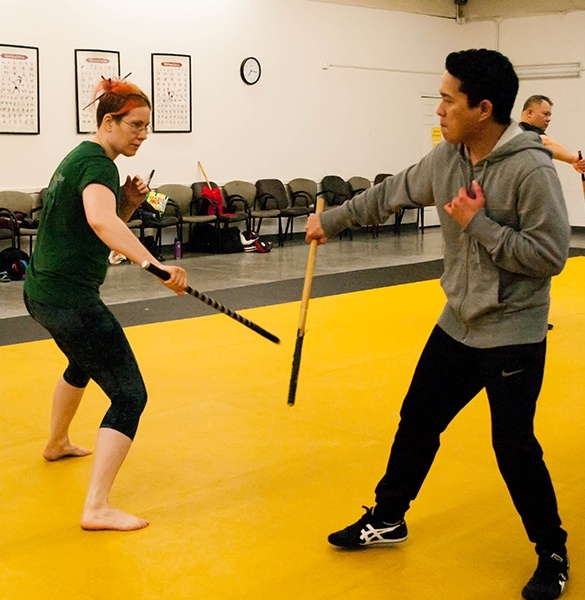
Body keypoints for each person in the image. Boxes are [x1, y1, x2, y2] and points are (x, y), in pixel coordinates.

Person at [306, 49, 570, 600]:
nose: (440, 107)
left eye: (449, 98)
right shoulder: (447, 157)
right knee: (417, 418)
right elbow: (388, 195)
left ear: (484, 108)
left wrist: (480, 224)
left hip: (512, 332)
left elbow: (550, 256)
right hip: (457, 322)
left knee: (514, 445)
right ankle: (388, 517)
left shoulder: (531, 169)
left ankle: (552, 551)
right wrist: (328, 222)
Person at [23, 77, 187, 532]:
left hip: (41, 292)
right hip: (69, 298)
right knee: (130, 394)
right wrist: (157, 265)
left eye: (146, 127)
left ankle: (56, 443)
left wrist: (130, 205)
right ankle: (97, 507)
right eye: (134, 124)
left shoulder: (81, 157)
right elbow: (99, 220)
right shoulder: (99, 164)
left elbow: (97, 220)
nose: (142, 134)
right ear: (109, 120)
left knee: (81, 363)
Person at [519, 94, 585, 173]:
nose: (549, 119)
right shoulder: (523, 134)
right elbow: (545, 142)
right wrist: (573, 159)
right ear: (530, 113)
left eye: (549, 115)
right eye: (545, 114)